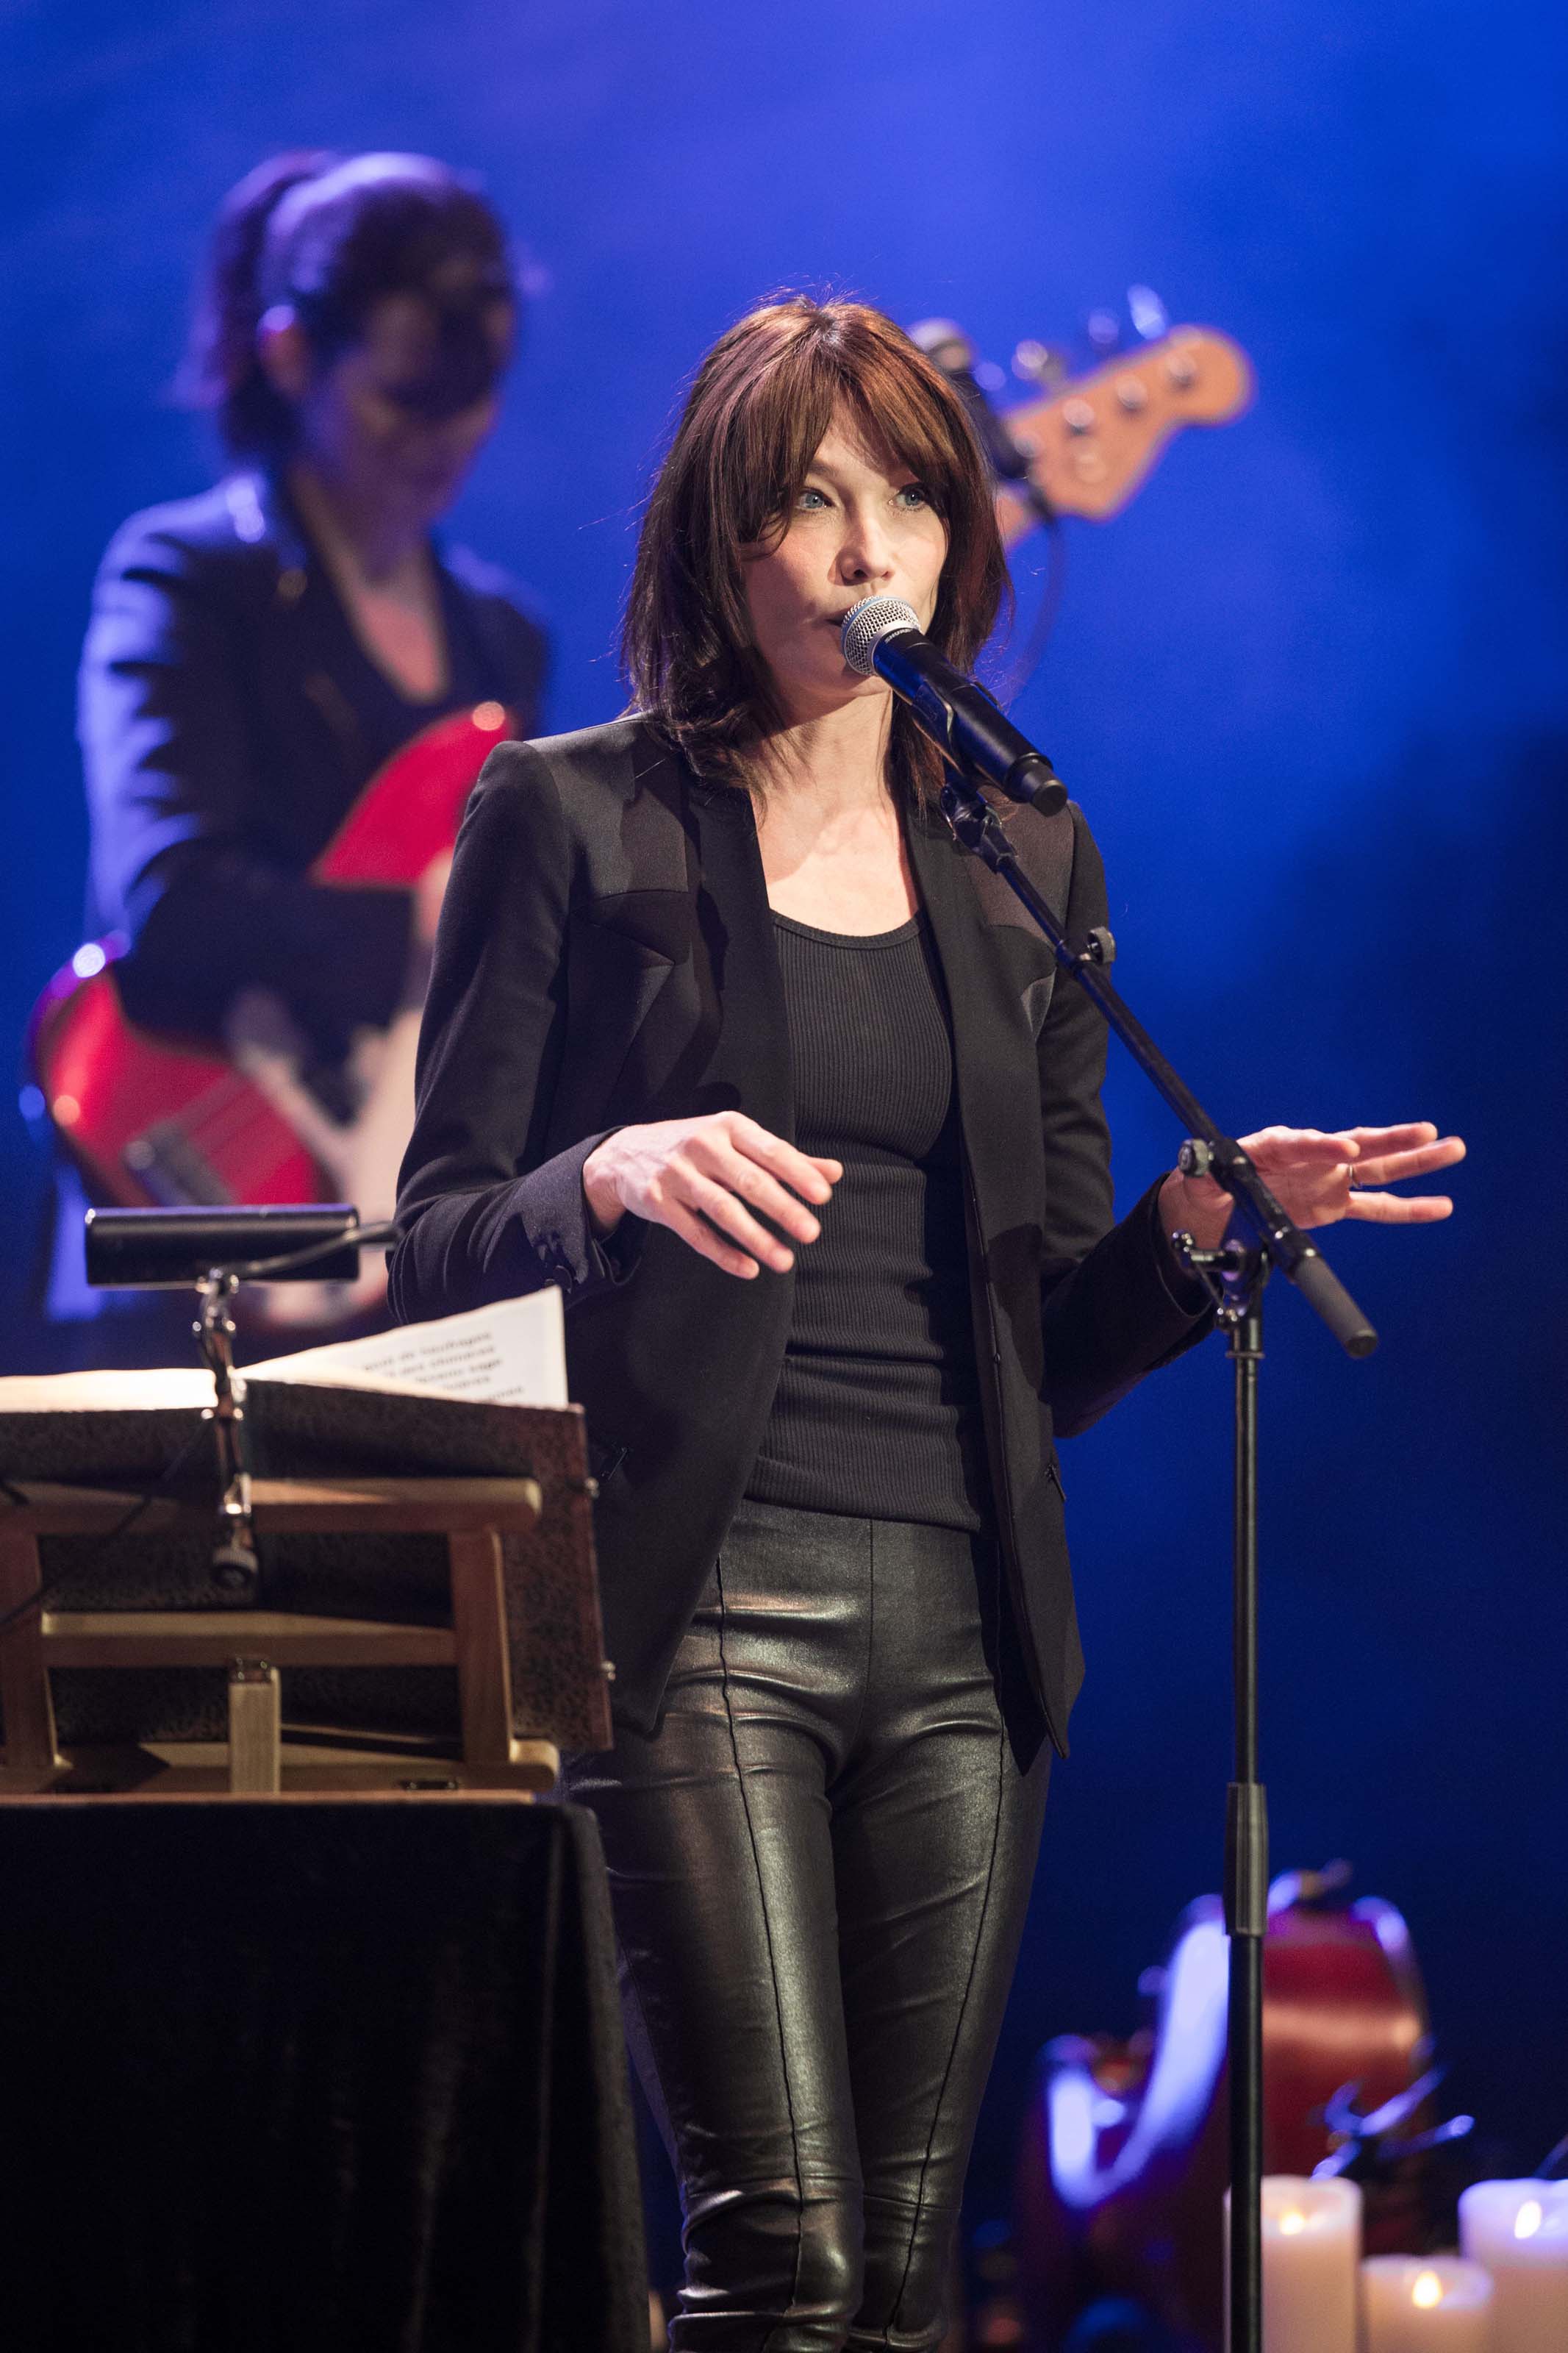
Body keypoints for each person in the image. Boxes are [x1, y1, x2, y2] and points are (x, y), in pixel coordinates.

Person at [389, 296, 1464, 2350]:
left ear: (959, 547)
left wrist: (1188, 1227)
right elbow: (431, 1246)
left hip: (965, 1624)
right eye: (805, 503)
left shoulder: (1017, 842)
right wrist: (601, 1177)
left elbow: (1043, 1346)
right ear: (723, 546)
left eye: (902, 500)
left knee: (895, 2282)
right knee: (777, 2253)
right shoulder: (568, 811)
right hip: (694, 1599)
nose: (863, 548)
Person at [43, 149, 547, 1350]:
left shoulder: (502, 641)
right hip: (185, 1201)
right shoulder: (186, 579)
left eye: (471, 397)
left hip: (394, 1233)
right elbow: (169, 901)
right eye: (403, 398)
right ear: (288, 355)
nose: (444, 436)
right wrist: (427, 926)